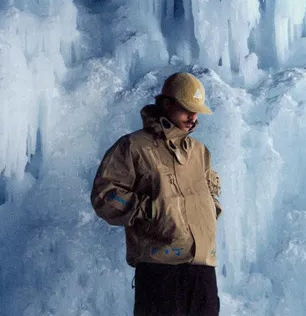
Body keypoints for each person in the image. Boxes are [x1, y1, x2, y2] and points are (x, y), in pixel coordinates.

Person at [91, 72, 222, 316]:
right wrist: (147, 209)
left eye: (197, 112)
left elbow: (209, 196)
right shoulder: (134, 147)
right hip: (160, 272)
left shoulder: (200, 152)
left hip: (203, 271)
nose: (193, 118)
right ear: (167, 103)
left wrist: (211, 211)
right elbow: (104, 195)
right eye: (187, 110)